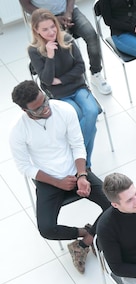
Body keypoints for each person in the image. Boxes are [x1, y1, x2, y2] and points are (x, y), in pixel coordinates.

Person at [9, 80, 109, 274]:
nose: (46, 109)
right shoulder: (17, 131)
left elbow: (78, 144)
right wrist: (57, 182)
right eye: (38, 109)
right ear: (25, 111)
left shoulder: (63, 110)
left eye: (45, 101)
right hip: (49, 180)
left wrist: (81, 175)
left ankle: (85, 242)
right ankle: (85, 232)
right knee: (46, 228)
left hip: (76, 170)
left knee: (114, 202)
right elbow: (24, 166)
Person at [28, 9, 100, 169]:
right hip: (60, 95)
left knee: (92, 112)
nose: (51, 31)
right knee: (86, 122)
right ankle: (85, 165)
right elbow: (46, 80)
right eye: (45, 29)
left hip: (78, 87)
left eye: (52, 26)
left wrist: (60, 79)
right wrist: (50, 56)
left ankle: (75, 161)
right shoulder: (34, 50)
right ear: (36, 31)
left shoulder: (67, 39)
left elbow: (81, 67)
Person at [20, 0, 112, 95]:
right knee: (60, 47)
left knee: (91, 35)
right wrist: (53, 18)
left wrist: (69, 12)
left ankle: (95, 73)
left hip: (69, 10)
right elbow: (25, 5)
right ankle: (67, 84)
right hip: (45, 20)